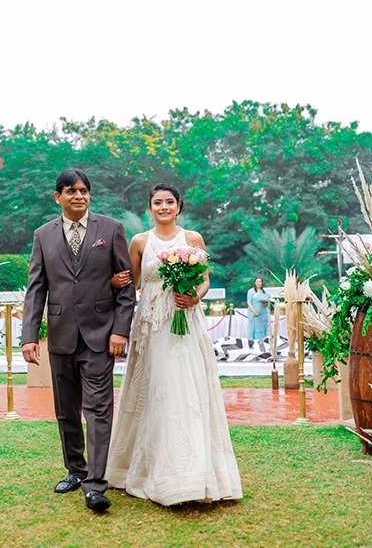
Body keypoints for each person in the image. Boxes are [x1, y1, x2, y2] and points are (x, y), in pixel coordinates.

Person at [105, 183, 242, 506]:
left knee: (188, 391)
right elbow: (130, 283)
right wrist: (113, 282)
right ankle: (146, 471)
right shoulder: (140, 241)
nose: (163, 207)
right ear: (149, 208)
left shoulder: (192, 239)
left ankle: (192, 474)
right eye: (157, 202)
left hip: (185, 323)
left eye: (169, 202)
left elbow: (206, 279)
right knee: (156, 390)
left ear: (179, 206)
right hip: (152, 325)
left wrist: (195, 295)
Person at [21, 169, 135, 512]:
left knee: (98, 409)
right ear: (58, 197)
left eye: (84, 190)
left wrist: (120, 331)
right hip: (60, 336)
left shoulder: (111, 229)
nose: (79, 196)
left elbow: (126, 285)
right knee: (65, 410)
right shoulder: (43, 235)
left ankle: (95, 485)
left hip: (101, 335)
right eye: (71, 191)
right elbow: (36, 288)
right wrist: (29, 336)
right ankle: (75, 470)